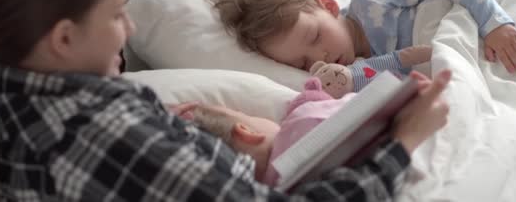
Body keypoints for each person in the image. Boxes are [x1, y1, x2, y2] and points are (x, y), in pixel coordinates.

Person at [0, 0, 450, 201]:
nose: (128, 30)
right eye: (115, 15)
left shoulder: (15, 92)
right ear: (63, 38)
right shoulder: (100, 139)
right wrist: (400, 146)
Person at [206, 0, 516, 89]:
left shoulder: (369, 0)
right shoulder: (357, 76)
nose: (321, 57)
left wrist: (494, 24)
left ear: (329, 6)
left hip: (472, 20)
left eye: (315, 36)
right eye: (303, 64)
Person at [180, 71, 442, 187]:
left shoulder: (275, 190)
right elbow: (348, 105)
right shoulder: (298, 122)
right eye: (248, 115)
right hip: (404, 139)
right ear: (247, 131)